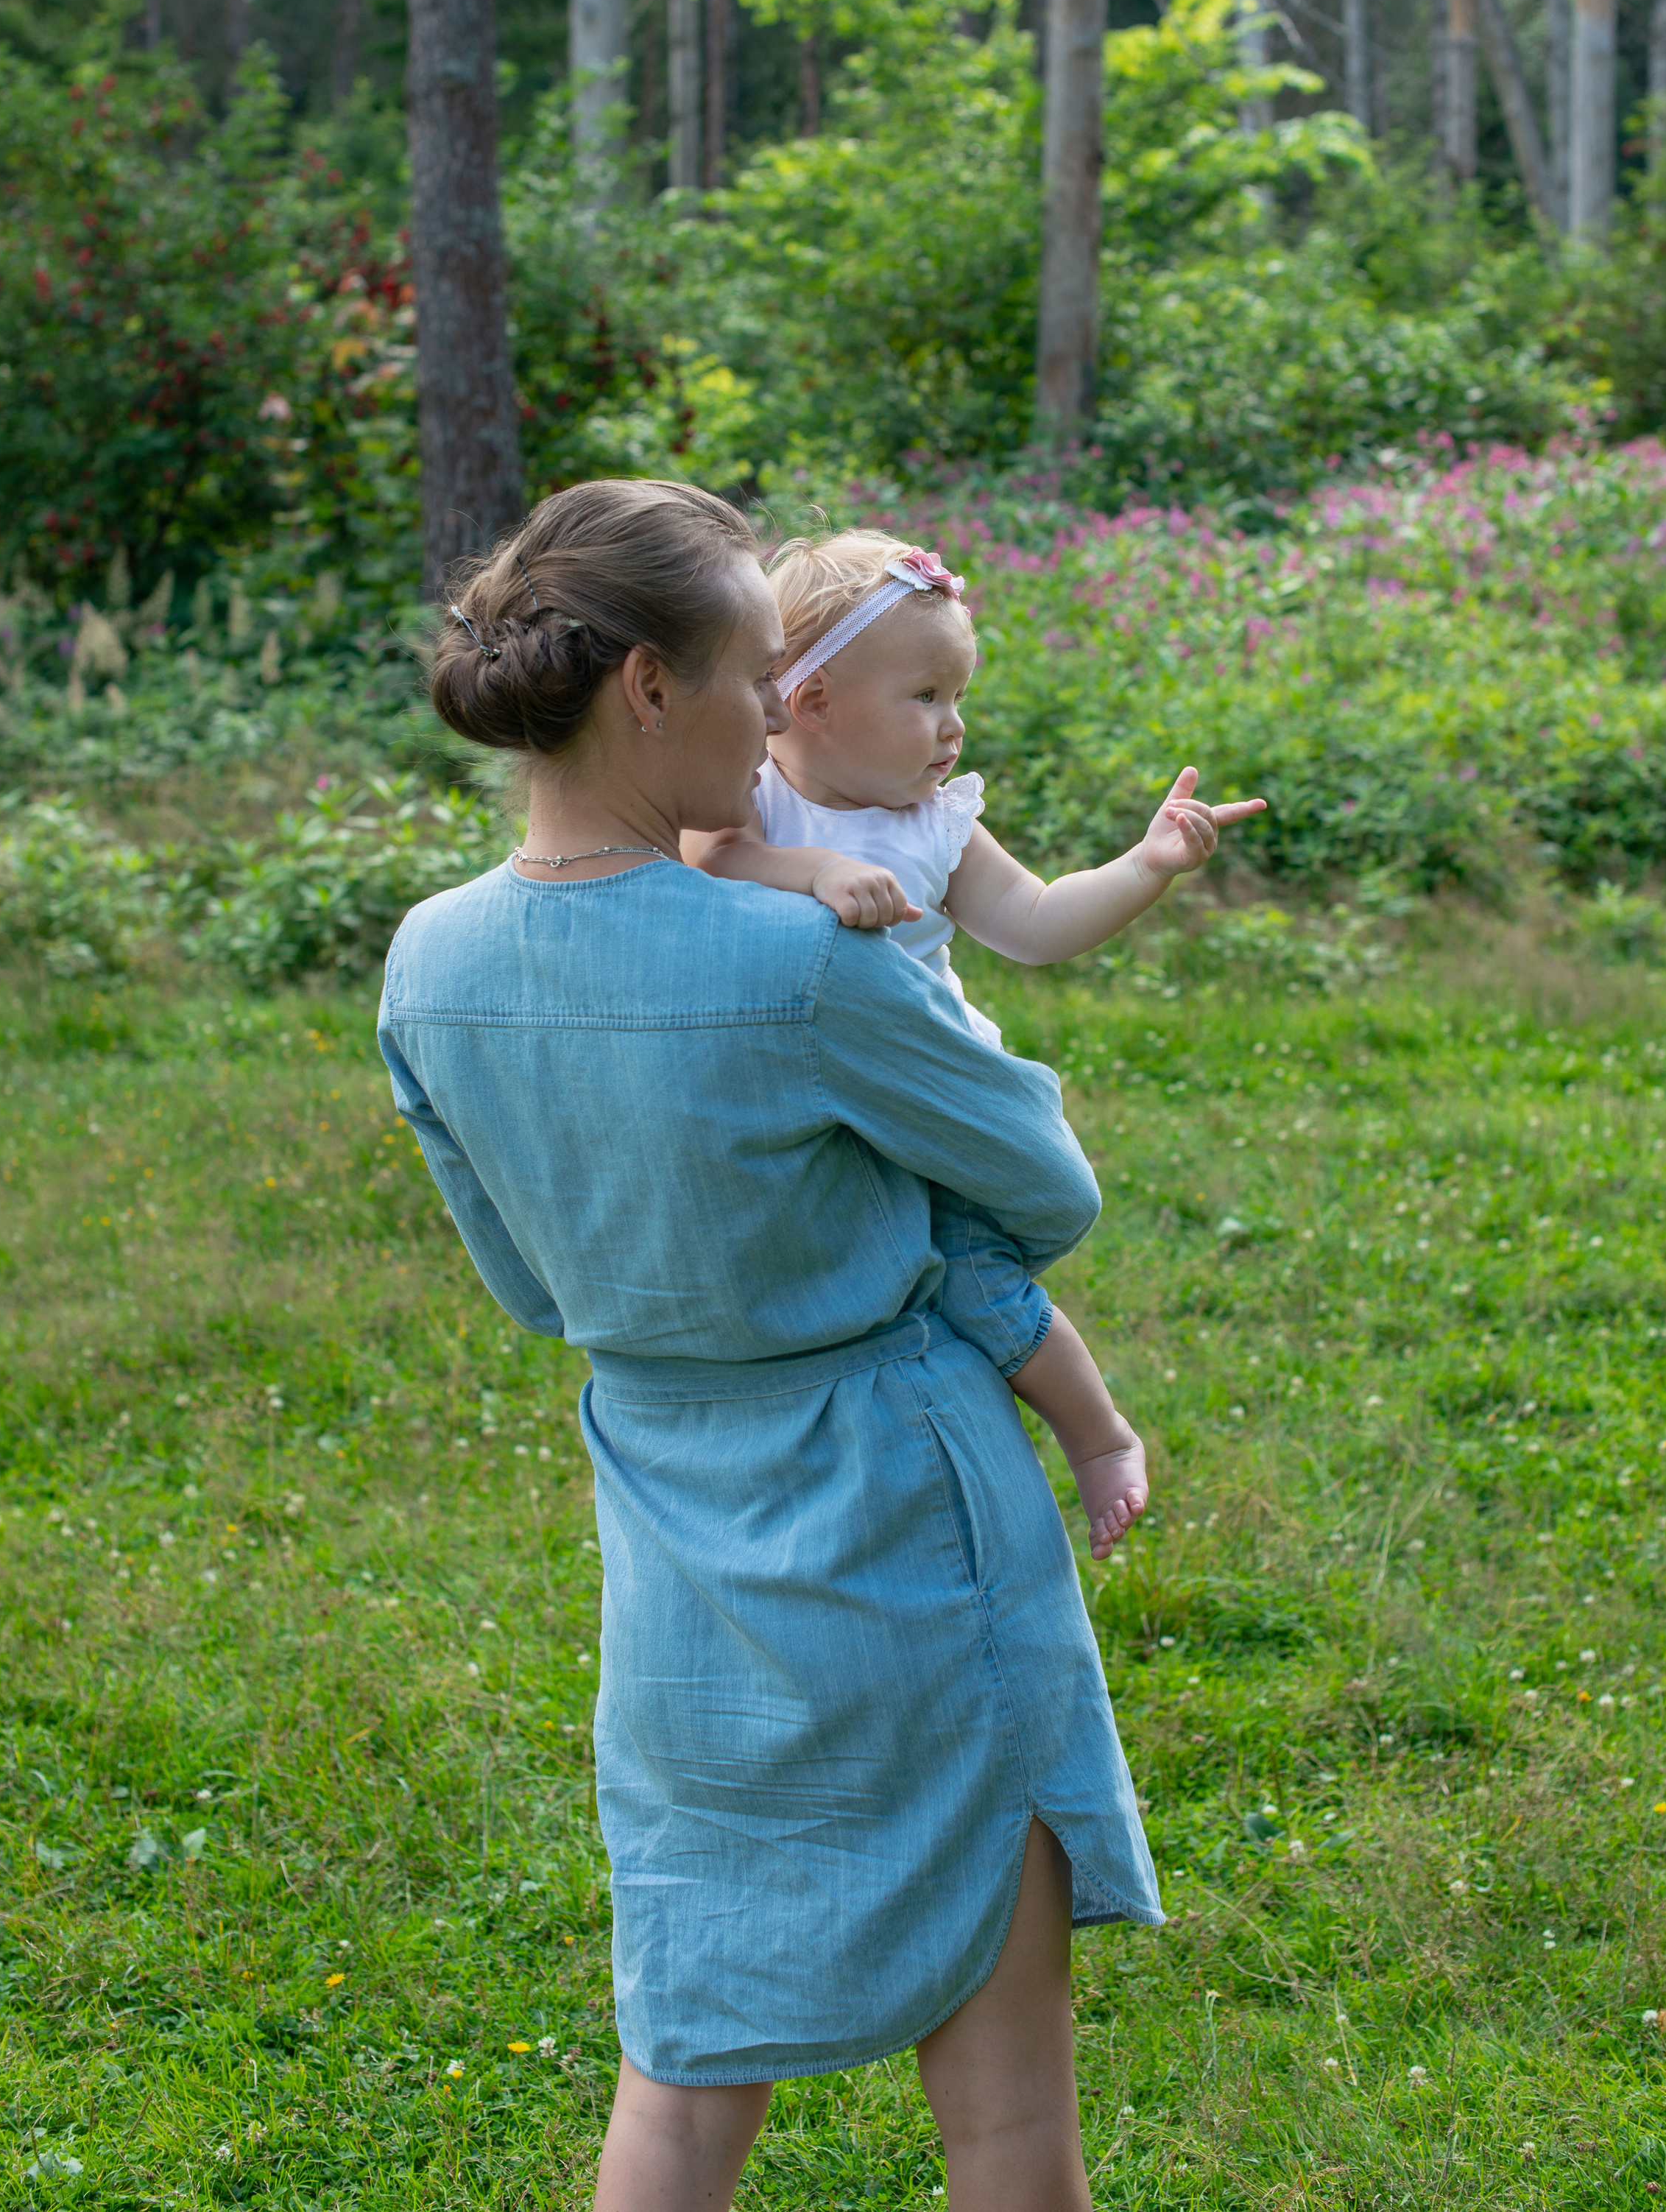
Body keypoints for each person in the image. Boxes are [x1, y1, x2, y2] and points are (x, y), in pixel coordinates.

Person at [377, 479, 1163, 2212]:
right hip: (907, 1523)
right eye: (751, 673)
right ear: (649, 685)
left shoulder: (428, 964)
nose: (775, 717)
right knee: (1007, 2114)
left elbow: (528, 1283)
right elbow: (1043, 1183)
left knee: (680, 2076)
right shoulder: (799, 956)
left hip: (673, 1546)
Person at [682, 526, 1266, 1051]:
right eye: (927, 696)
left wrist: (1146, 864)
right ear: (817, 702)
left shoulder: (937, 822)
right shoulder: (753, 794)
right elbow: (718, 860)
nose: (955, 725)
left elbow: (1035, 921)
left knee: (1043, 1170)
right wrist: (820, 871)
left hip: (925, 1067)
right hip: (786, 1061)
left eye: (957, 697)